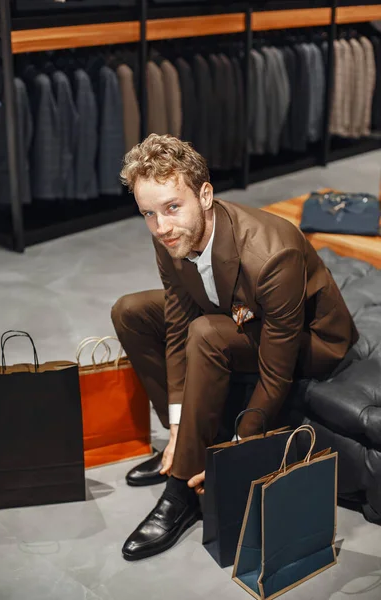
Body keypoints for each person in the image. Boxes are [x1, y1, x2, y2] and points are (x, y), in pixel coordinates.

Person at [111, 134, 358, 561]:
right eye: (148, 213)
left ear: (205, 195)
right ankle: (179, 447)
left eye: (172, 207)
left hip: (309, 341)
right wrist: (175, 426)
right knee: (130, 311)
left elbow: (276, 370)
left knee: (207, 333)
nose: (161, 226)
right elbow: (175, 323)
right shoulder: (168, 235)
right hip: (239, 309)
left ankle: (180, 490)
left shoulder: (272, 253)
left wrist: (237, 452)